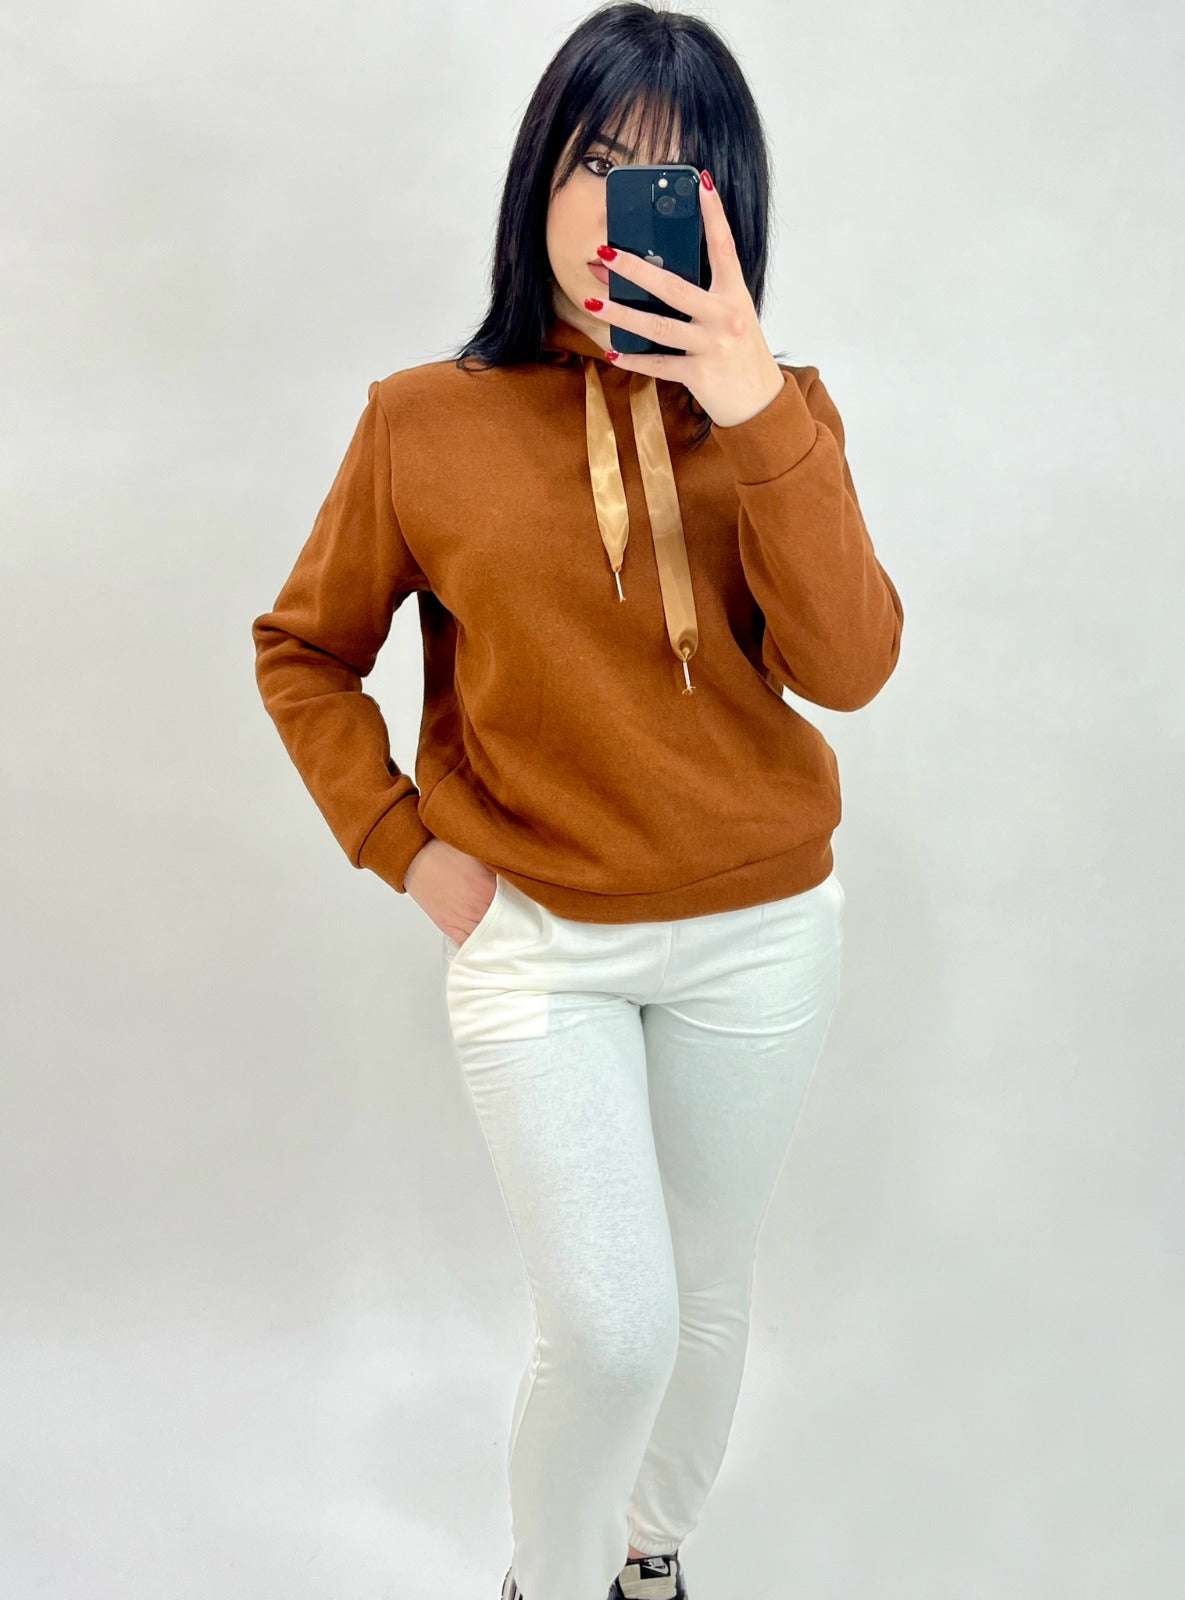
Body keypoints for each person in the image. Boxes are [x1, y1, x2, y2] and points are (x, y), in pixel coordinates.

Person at [251, 5, 904, 1598]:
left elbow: (851, 666)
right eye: (597, 161)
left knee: (707, 1293)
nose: (623, 206)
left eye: (672, 174)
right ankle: (546, 1584)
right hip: (538, 940)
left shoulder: (780, 413)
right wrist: (409, 853)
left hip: (761, 934)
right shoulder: (422, 420)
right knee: (611, 1329)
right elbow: (303, 652)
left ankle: (649, 1556)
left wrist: (754, 410)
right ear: (537, 173)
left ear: (727, 207)